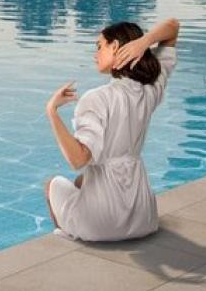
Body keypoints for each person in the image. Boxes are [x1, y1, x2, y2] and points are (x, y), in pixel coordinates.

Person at [43, 17, 180, 242]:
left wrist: (52, 111)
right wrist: (145, 42)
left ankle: (71, 234)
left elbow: (78, 160)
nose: (95, 54)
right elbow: (173, 27)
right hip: (143, 219)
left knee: (52, 184)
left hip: (99, 226)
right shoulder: (150, 89)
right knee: (81, 182)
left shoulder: (96, 99)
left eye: (99, 46)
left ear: (115, 46)